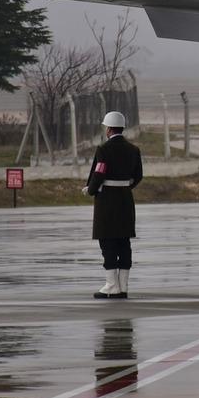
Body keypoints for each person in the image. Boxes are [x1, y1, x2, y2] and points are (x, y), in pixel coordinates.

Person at [83, 111, 143, 299]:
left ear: (108, 129)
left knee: (108, 242)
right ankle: (123, 286)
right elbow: (138, 175)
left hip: (107, 201)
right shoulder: (134, 149)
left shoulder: (104, 150)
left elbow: (99, 172)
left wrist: (91, 190)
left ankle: (111, 285)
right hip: (125, 200)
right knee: (124, 243)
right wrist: (125, 187)